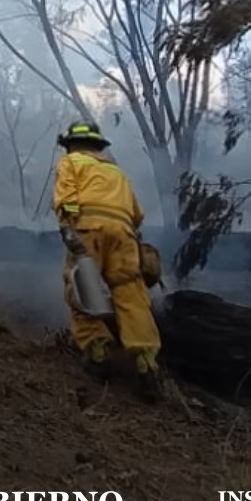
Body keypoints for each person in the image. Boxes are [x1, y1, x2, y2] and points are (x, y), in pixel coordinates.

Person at [52, 120, 161, 401]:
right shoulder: (116, 172)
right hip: (124, 235)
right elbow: (137, 215)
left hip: (87, 230)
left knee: (82, 288)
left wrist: (69, 228)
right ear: (99, 145)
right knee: (131, 295)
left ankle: (98, 353)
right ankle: (146, 361)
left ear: (72, 145)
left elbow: (66, 198)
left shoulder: (71, 162)